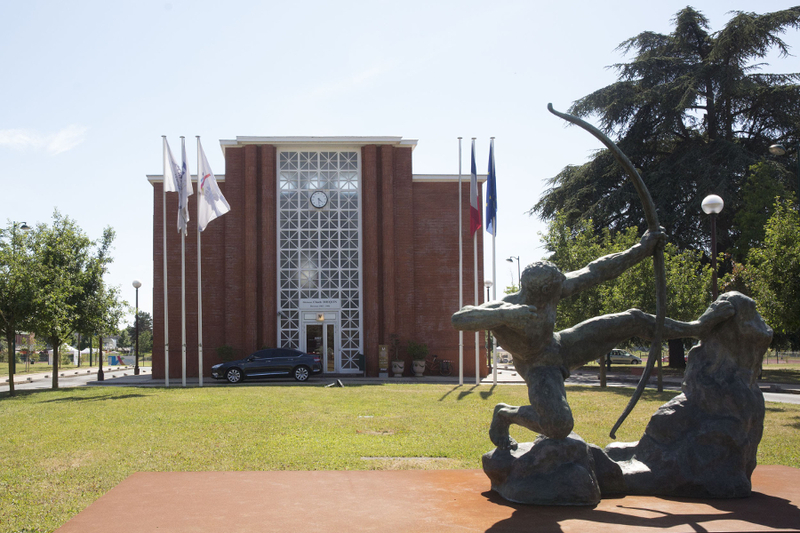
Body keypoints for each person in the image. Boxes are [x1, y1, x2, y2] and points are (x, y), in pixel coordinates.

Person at [451, 229, 734, 449]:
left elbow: (596, 271)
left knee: (632, 318)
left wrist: (641, 249)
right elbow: (460, 318)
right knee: (558, 425)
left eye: (559, 288)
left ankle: (697, 328)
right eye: (553, 291)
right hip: (537, 365)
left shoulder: (554, 287)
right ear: (534, 292)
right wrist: (510, 316)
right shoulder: (504, 309)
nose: (560, 293)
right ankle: (505, 415)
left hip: (563, 346)